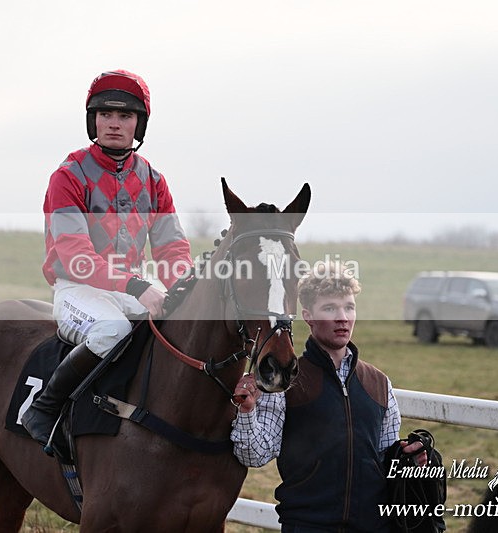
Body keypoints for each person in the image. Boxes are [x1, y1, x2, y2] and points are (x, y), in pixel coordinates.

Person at [22, 69, 193, 446]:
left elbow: (171, 248)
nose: (114, 124)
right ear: (93, 120)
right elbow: (74, 255)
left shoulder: (153, 179)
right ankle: (45, 407)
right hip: (78, 287)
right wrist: (137, 284)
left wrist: (187, 285)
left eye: (125, 116)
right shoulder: (68, 176)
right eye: (105, 115)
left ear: (139, 124)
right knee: (112, 330)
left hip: (131, 287)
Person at [231, 261, 426, 532]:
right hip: (308, 525)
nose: (342, 317)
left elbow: (385, 456)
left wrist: (411, 456)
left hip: (373, 526)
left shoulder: (379, 383)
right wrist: (247, 411)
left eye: (349, 307)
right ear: (308, 316)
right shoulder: (288, 383)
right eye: (330, 308)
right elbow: (255, 454)